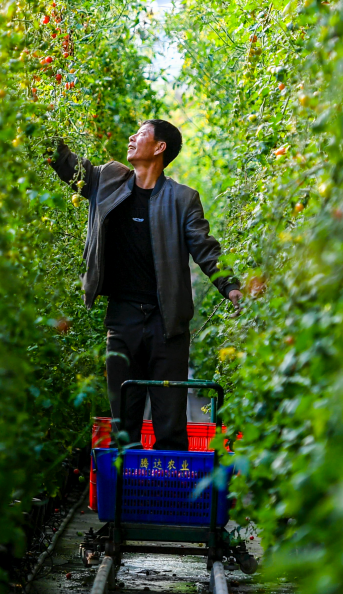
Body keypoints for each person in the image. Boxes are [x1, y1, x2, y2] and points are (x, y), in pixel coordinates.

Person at [48, 119, 240, 451]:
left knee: (170, 428)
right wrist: (44, 123)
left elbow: (205, 248)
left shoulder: (183, 199)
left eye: (140, 133)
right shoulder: (106, 179)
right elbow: (68, 167)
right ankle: (127, 496)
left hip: (167, 326)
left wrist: (231, 285)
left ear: (160, 147)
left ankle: (167, 498)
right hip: (122, 321)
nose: (132, 137)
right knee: (124, 427)